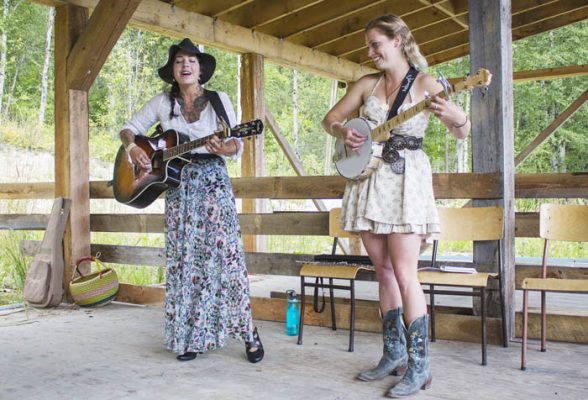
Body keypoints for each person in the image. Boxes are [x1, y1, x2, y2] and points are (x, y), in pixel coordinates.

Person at [321, 15, 470, 398]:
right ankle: (393, 354)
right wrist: (345, 131)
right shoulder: (365, 84)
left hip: (405, 183)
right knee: (382, 270)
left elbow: (460, 130)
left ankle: (421, 367)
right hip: (368, 182)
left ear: (400, 39)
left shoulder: (426, 83)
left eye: (376, 44)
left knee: (406, 273)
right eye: (368, 46)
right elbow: (331, 119)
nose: (370, 52)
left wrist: (459, 117)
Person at [118, 38, 264, 363]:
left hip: (213, 182)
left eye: (192, 61)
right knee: (187, 261)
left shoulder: (219, 100)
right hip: (179, 188)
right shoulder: (161, 102)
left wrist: (225, 147)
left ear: (201, 69)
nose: (186, 66)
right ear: (173, 70)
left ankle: (249, 332)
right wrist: (134, 149)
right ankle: (192, 335)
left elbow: (236, 145)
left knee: (227, 259)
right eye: (180, 61)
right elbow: (128, 130)